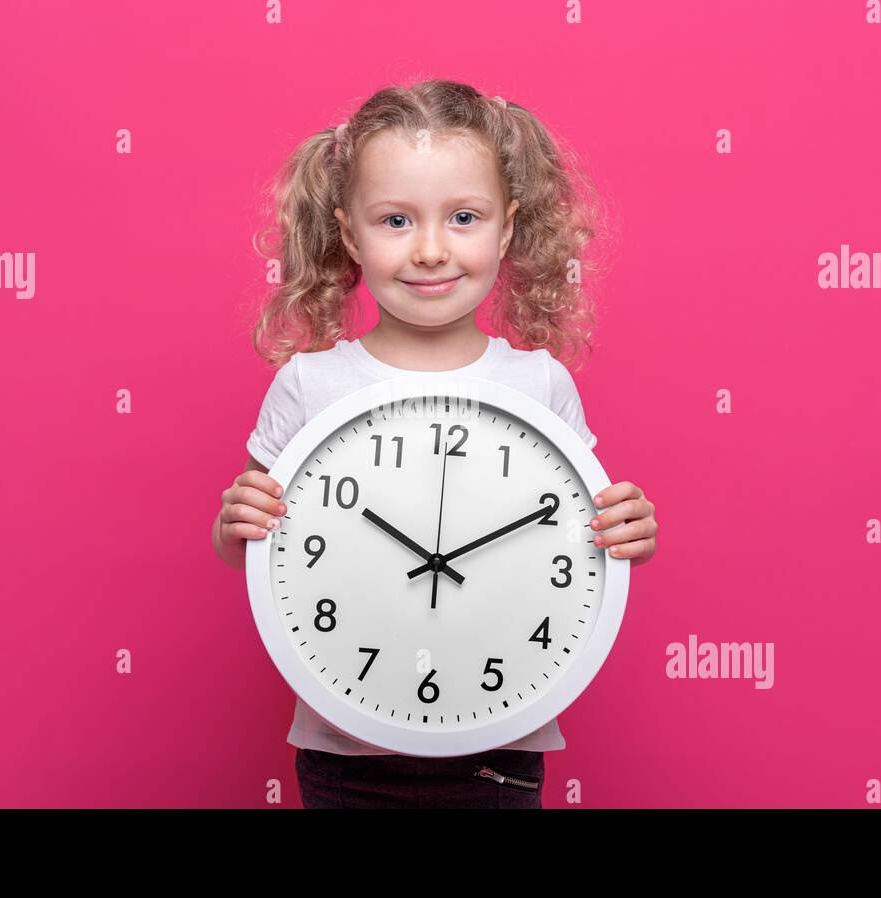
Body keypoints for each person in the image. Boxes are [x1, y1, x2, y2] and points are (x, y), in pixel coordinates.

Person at [212, 79, 658, 808]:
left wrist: (634, 531)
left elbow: (585, 548)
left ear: (507, 229)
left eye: (462, 217)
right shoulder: (310, 385)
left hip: (499, 747)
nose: (429, 250)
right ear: (349, 233)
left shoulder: (538, 385)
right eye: (394, 220)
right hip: (344, 750)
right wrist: (234, 523)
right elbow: (250, 551)